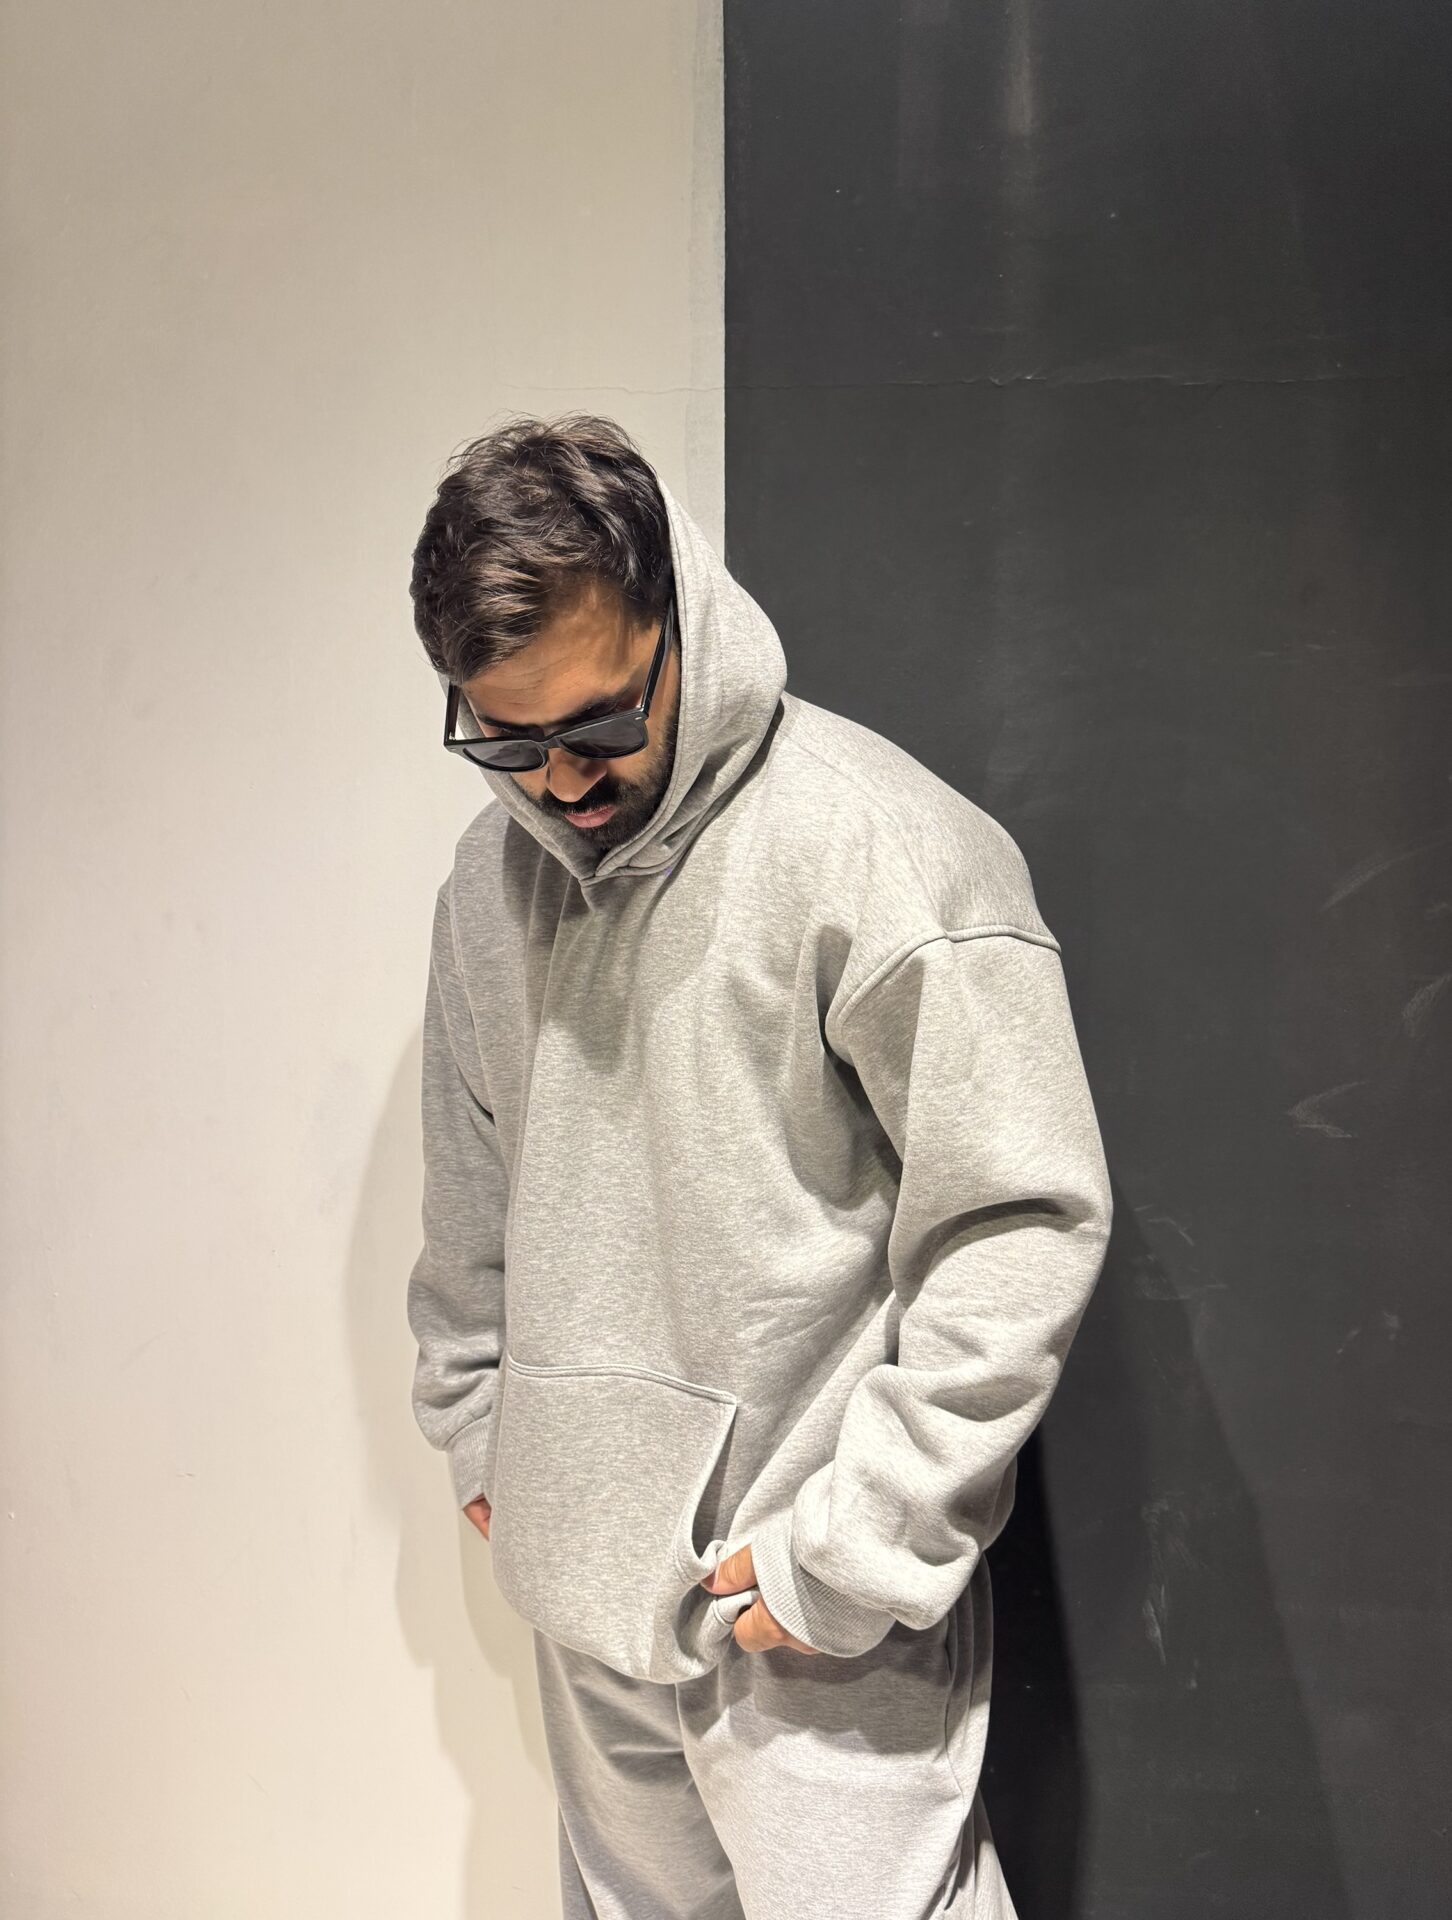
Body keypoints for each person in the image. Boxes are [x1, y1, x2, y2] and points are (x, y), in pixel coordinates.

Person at [405, 413, 1113, 1919]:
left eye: (601, 724)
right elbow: (470, 1196)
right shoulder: (488, 886)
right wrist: (486, 1439)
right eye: (508, 741)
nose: (561, 783)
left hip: (810, 1598)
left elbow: (1018, 1221)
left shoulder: (884, 849)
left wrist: (856, 1550)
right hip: (587, 1589)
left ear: (685, 619)